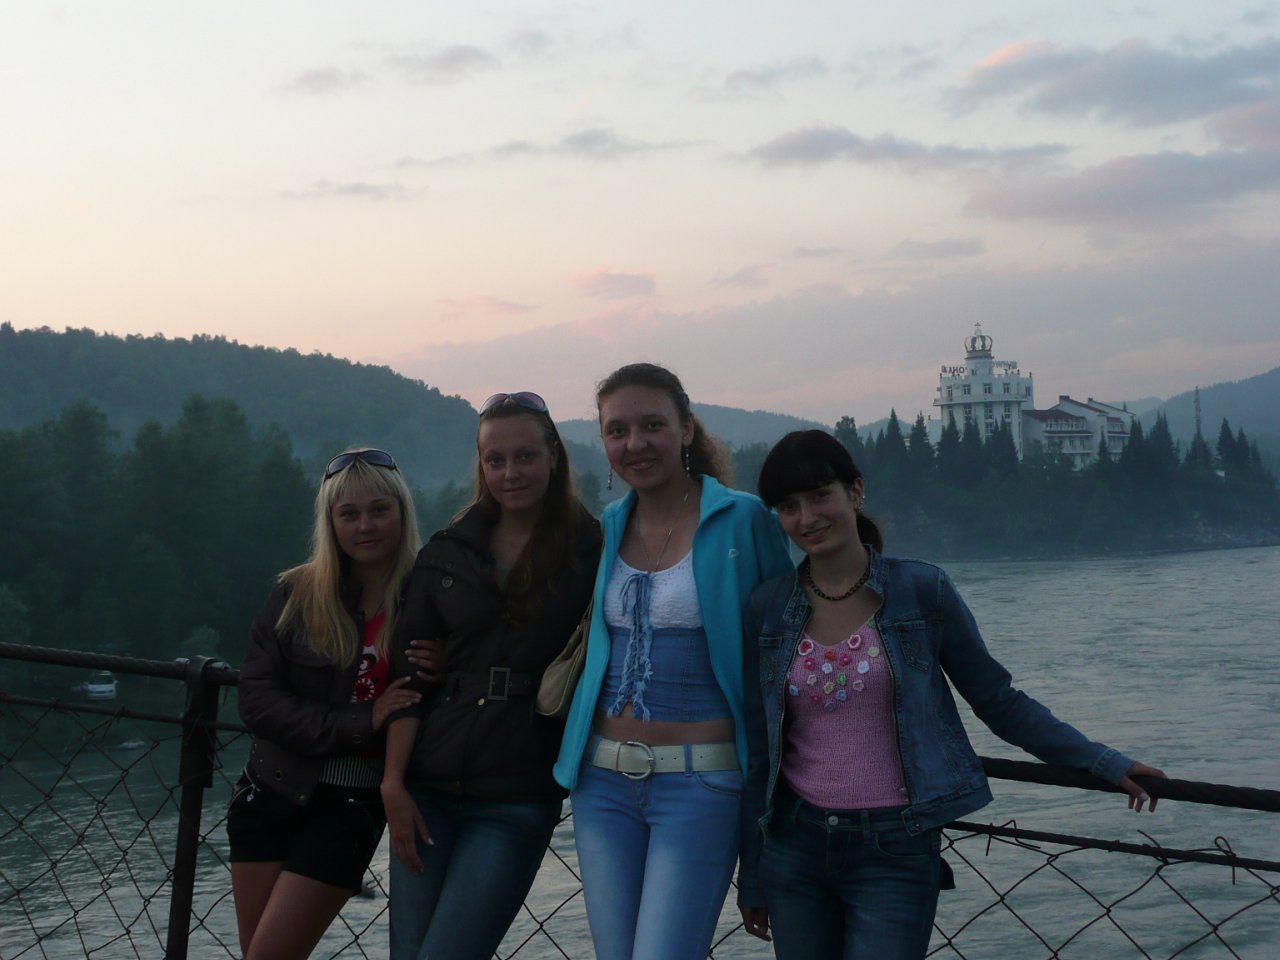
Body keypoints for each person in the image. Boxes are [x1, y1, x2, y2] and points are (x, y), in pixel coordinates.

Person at [737, 430, 1167, 960]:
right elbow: (760, 749)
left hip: (895, 848)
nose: (807, 518)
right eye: (789, 506)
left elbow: (998, 700)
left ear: (856, 491)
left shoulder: (921, 591)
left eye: (820, 495)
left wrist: (1100, 761)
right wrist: (752, 874)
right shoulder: (768, 608)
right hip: (794, 845)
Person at [553, 362, 794, 960]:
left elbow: (787, 645)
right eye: (617, 430)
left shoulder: (743, 519)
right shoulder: (608, 525)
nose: (634, 443)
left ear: (686, 429)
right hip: (600, 784)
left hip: (702, 783)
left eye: (652, 425)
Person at [381, 391, 601, 960]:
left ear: (554, 456)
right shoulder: (446, 554)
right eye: (495, 460)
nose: (510, 473)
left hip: (517, 793)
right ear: (481, 466)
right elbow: (408, 681)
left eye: (526, 456)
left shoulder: (594, 553)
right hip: (427, 787)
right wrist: (393, 784)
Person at [229, 447, 424, 960]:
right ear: (330, 522)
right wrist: (360, 721)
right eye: (349, 514)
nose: (366, 526)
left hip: (350, 807)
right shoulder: (296, 593)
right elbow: (257, 699)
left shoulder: (427, 598)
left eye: (379, 510)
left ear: (402, 512)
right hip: (268, 792)